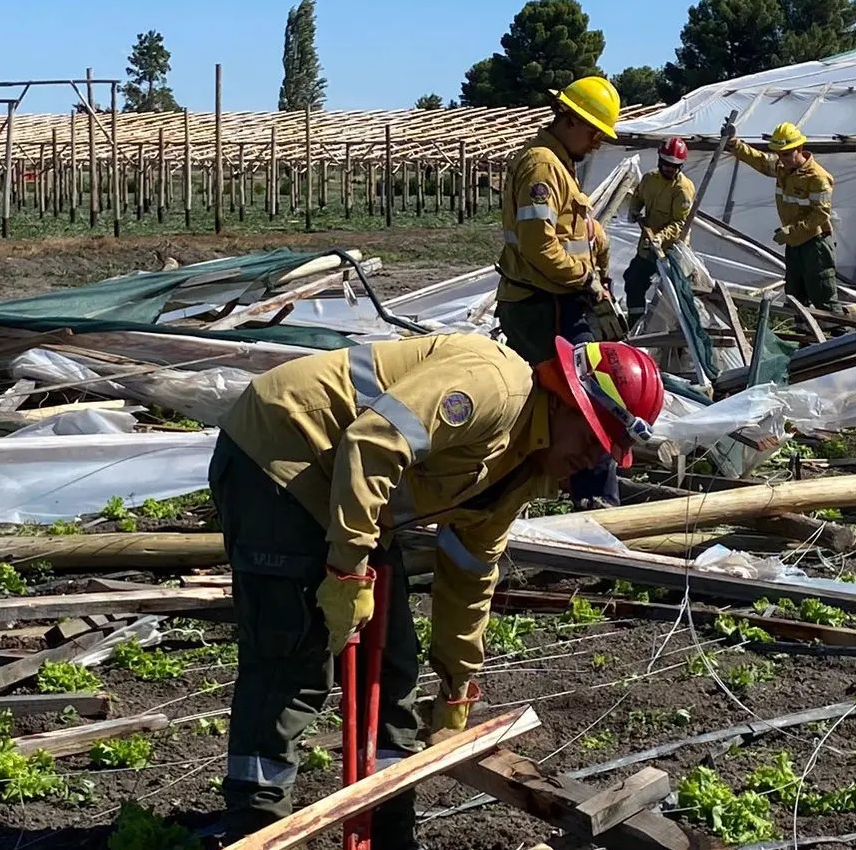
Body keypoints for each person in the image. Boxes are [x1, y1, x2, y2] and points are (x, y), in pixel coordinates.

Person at [210, 332, 665, 848]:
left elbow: (470, 571)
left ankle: (389, 831)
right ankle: (257, 828)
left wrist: (456, 684)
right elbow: (375, 440)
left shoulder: (522, 469)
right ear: (563, 400)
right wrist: (348, 568)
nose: (594, 458)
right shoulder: (494, 386)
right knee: (293, 659)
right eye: (593, 436)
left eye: (608, 449)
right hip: (282, 451)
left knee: (394, 664)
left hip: (354, 489)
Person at [494, 75, 625, 509]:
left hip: (549, 300)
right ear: (569, 120)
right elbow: (539, 243)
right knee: (589, 396)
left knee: (558, 399)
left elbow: (572, 229)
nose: (597, 144)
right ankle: (594, 502)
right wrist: (584, 279)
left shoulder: (558, 164)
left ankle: (556, 487)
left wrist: (598, 250)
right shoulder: (543, 166)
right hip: (544, 305)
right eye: (593, 133)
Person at [722, 119, 840, 311]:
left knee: (824, 299)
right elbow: (759, 160)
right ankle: (806, 340)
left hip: (815, 245)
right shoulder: (781, 168)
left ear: (799, 148)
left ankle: (841, 338)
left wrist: (792, 231)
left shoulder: (817, 178)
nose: (782, 159)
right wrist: (734, 143)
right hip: (794, 244)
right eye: (779, 154)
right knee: (795, 299)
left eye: (786, 154)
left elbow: (820, 215)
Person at [622, 137, 697, 317]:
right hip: (648, 248)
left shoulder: (683, 189)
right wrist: (634, 210)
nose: (670, 168)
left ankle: (669, 334)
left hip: (671, 252)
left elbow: (680, 223)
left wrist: (660, 237)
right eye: (666, 164)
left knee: (672, 297)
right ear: (660, 160)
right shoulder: (649, 179)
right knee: (633, 281)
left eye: (674, 166)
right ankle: (635, 323)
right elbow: (639, 196)